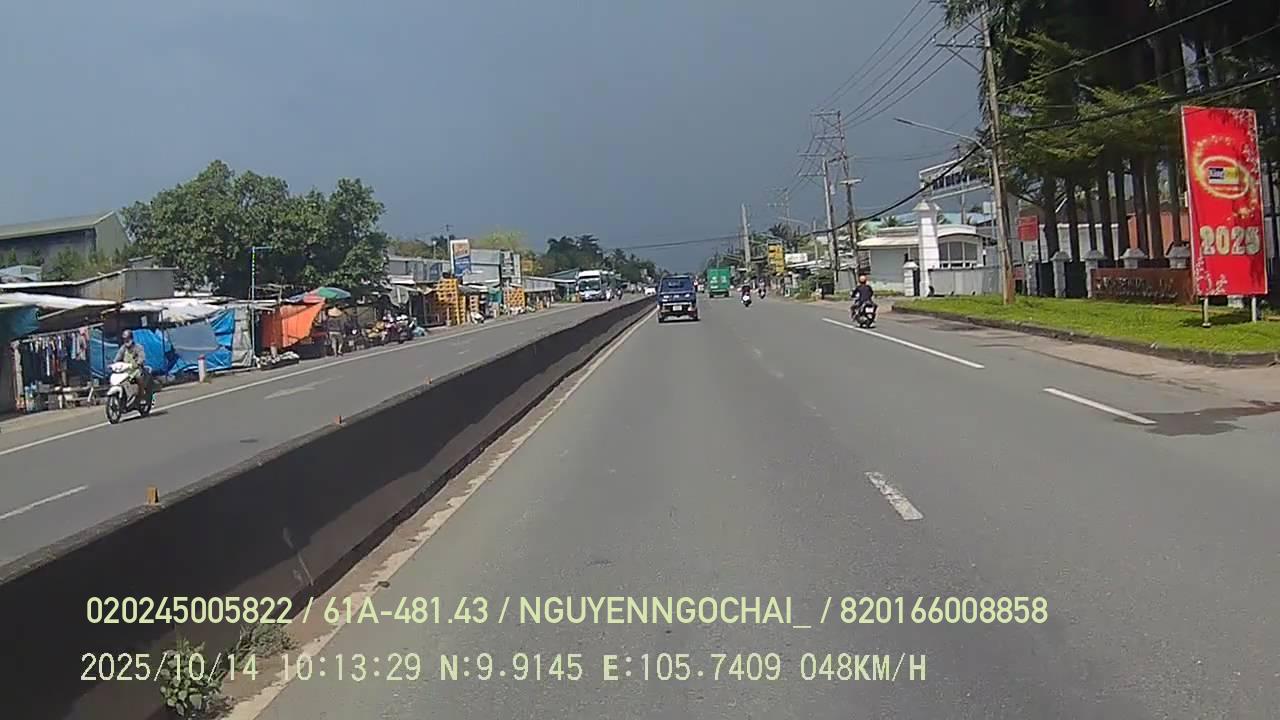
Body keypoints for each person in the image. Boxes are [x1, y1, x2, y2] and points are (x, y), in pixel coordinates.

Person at [114, 329, 150, 398]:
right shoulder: (123, 348)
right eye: (124, 339)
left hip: (136, 369)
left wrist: (138, 363)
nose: (126, 340)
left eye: (128, 338)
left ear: (131, 338)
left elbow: (141, 357)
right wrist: (113, 364)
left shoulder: (138, 347)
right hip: (126, 370)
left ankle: (142, 393)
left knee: (139, 376)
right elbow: (117, 357)